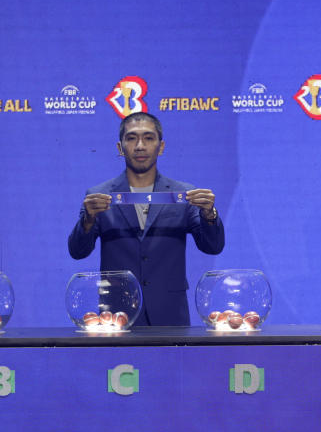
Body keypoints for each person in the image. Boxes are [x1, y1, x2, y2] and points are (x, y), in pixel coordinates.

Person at [68, 112, 224, 326]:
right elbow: (77, 252)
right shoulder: (98, 196)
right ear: (120, 148)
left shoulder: (185, 194)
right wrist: (87, 220)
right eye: (131, 138)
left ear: (161, 146)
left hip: (170, 313)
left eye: (149, 138)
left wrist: (209, 214)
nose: (140, 146)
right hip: (116, 314)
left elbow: (213, 246)